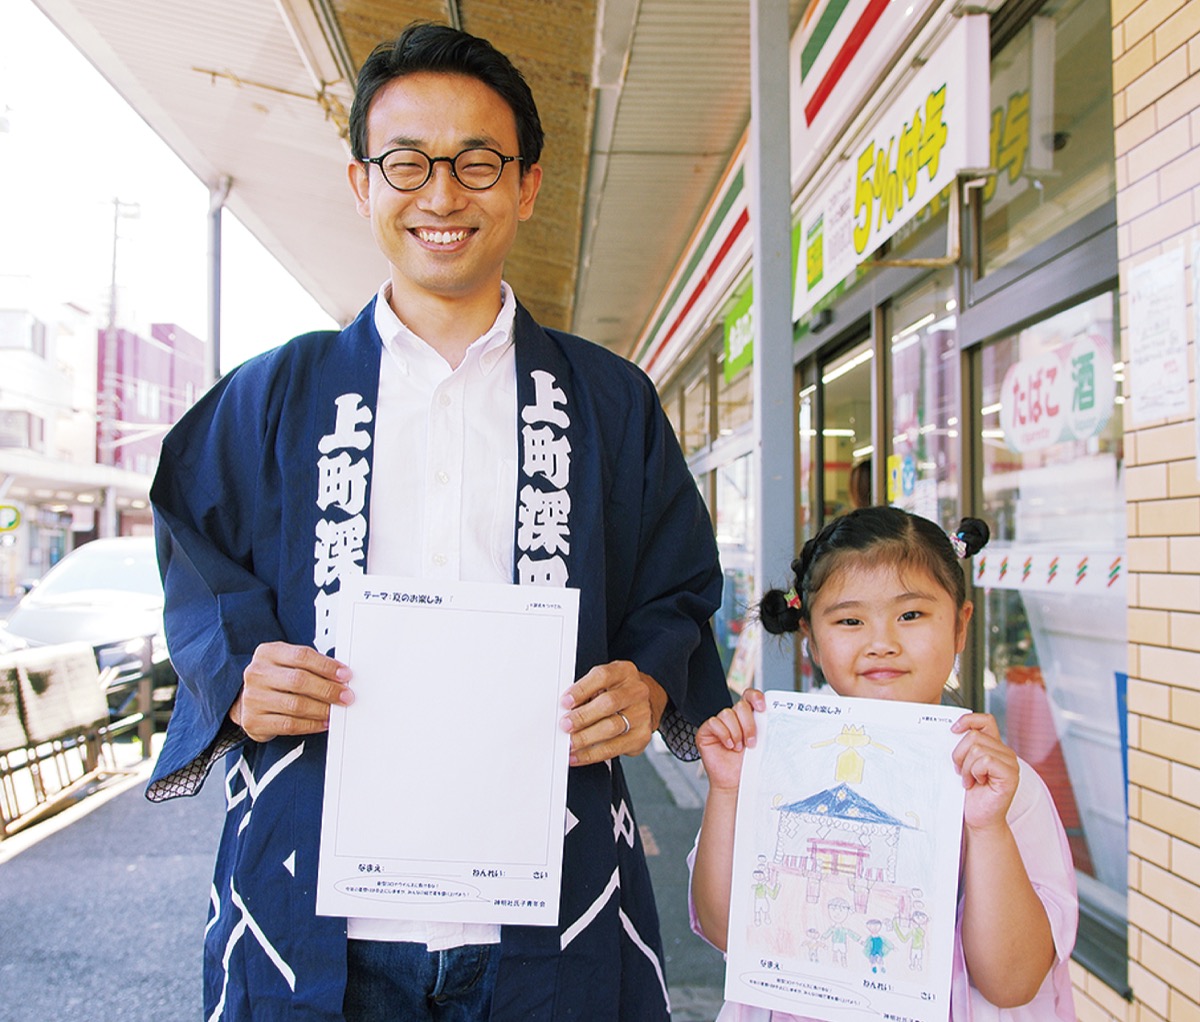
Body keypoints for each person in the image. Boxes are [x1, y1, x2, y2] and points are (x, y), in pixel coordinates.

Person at [145, 21, 731, 1022]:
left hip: (552, 897)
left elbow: (675, 584)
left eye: (477, 162)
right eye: (408, 162)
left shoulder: (607, 401)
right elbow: (195, 558)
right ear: (361, 181)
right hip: (318, 905)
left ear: (528, 184)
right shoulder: (271, 396)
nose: (442, 194)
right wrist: (242, 668)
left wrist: (647, 675)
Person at [688, 506, 1078, 1020]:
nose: (882, 643)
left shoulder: (1000, 787)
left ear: (960, 625)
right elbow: (724, 928)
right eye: (850, 620)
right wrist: (729, 792)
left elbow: (1012, 982)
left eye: (911, 615)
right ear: (812, 639)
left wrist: (987, 829)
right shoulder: (768, 764)